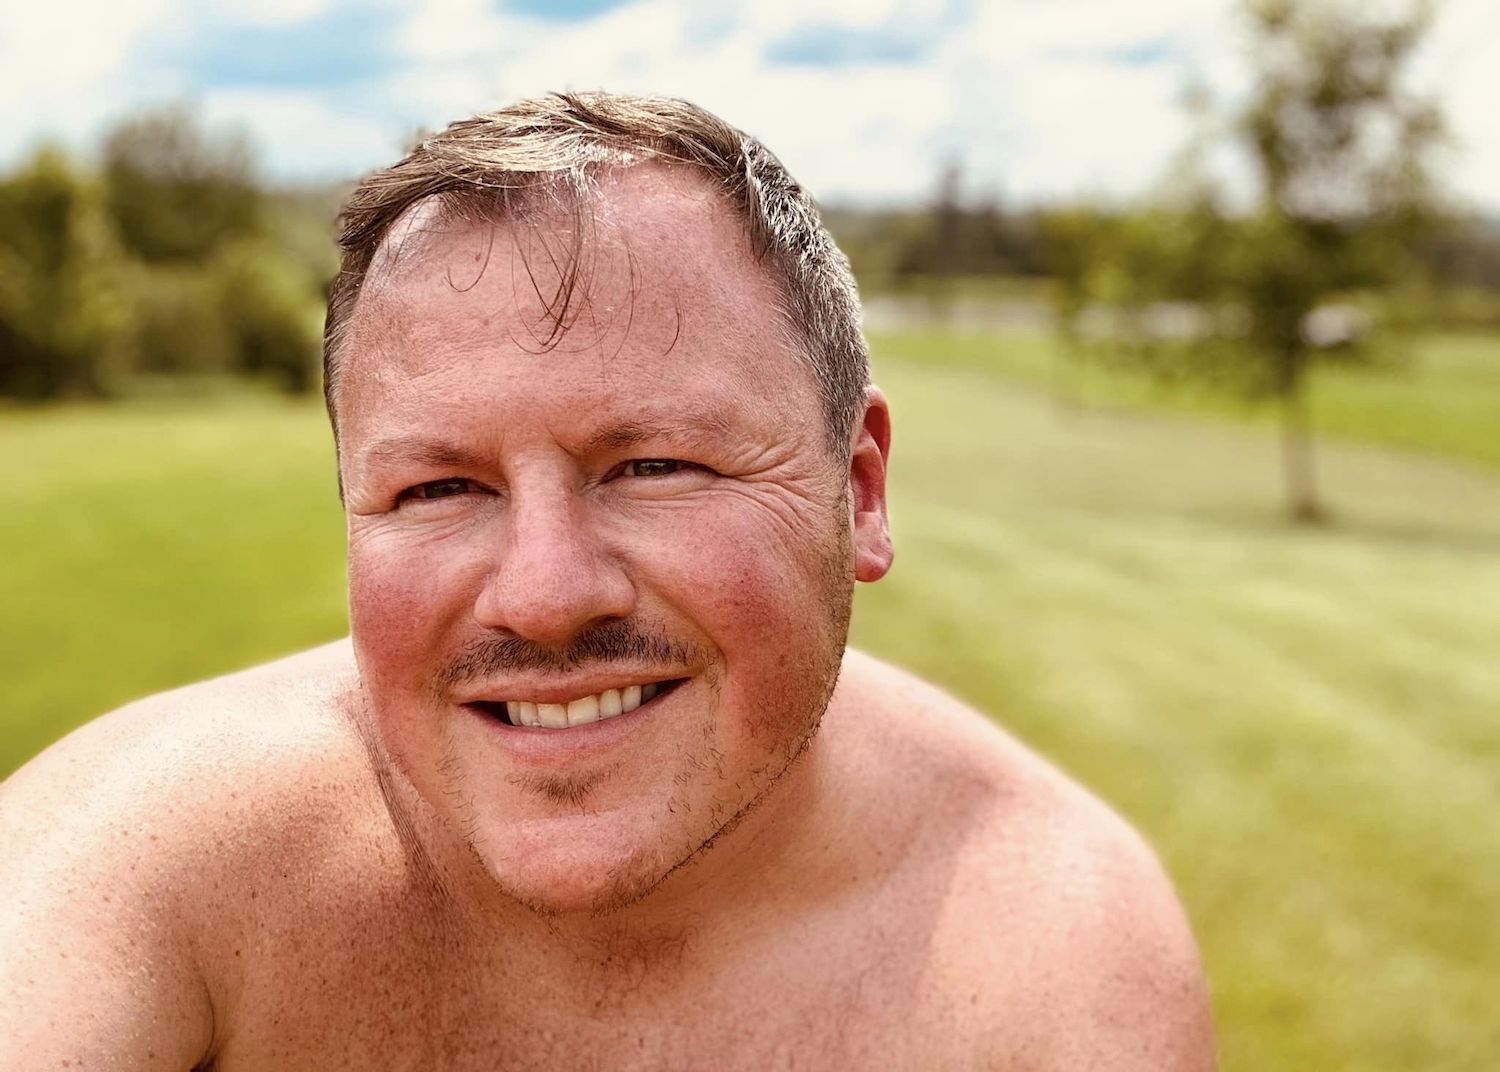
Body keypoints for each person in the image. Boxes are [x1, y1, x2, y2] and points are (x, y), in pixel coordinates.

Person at [0, 92, 1215, 1070]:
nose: (543, 595)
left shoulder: (1052, 950)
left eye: (654, 465)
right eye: (438, 488)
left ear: (861, 492)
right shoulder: (141, 861)